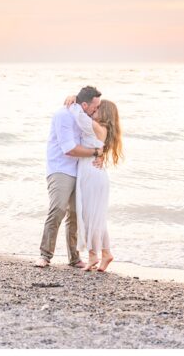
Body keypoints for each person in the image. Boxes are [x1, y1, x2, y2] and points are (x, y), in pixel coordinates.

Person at [34, 86, 103, 269]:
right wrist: (96, 152)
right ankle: (45, 255)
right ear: (85, 104)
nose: (96, 110)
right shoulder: (63, 116)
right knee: (57, 209)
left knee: (75, 214)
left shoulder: (85, 116)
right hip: (60, 168)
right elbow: (69, 149)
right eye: (94, 107)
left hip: (80, 169)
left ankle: (74, 258)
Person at [69, 98, 122, 272]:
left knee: (90, 216)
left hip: (92, 176)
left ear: (104, 112)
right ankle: (106, 253)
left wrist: (75, 99)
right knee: (96, 217)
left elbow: (77, 114)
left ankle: (93, 255)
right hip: (93, 175)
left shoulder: (95, 126)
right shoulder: (101, 128)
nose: (94, 110)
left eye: (98, 108)